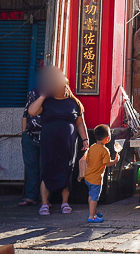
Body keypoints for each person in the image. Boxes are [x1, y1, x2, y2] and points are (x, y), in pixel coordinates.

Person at [28, 66, 89, 216]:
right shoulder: (46, 102)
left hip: (68, 142)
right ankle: (44, 204)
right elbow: (31, 111)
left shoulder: (74, 103)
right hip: (49, 142)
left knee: (66, 169)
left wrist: (85, 140)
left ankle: (64, 202)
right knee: (47, 168)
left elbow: (80, 123)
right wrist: (43, 96)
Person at [83, 124, 119, 224]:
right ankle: (91, 216)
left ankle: (93, 212)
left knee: (91, 195)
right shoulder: (104, 150)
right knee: (94, 197)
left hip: (88, 176)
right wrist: (115, 161)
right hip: (96, 178)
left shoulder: (92, 147)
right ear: (107, 138)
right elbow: (107, 163)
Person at [18, 73, 44, 206]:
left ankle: (43, 198)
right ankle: (30, 196)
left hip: (47, 136)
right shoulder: (33, 93)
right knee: (31, 167)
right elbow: (26, 113)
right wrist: (24, 134)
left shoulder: (57, 96)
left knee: (44, 167)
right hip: (30, 135)